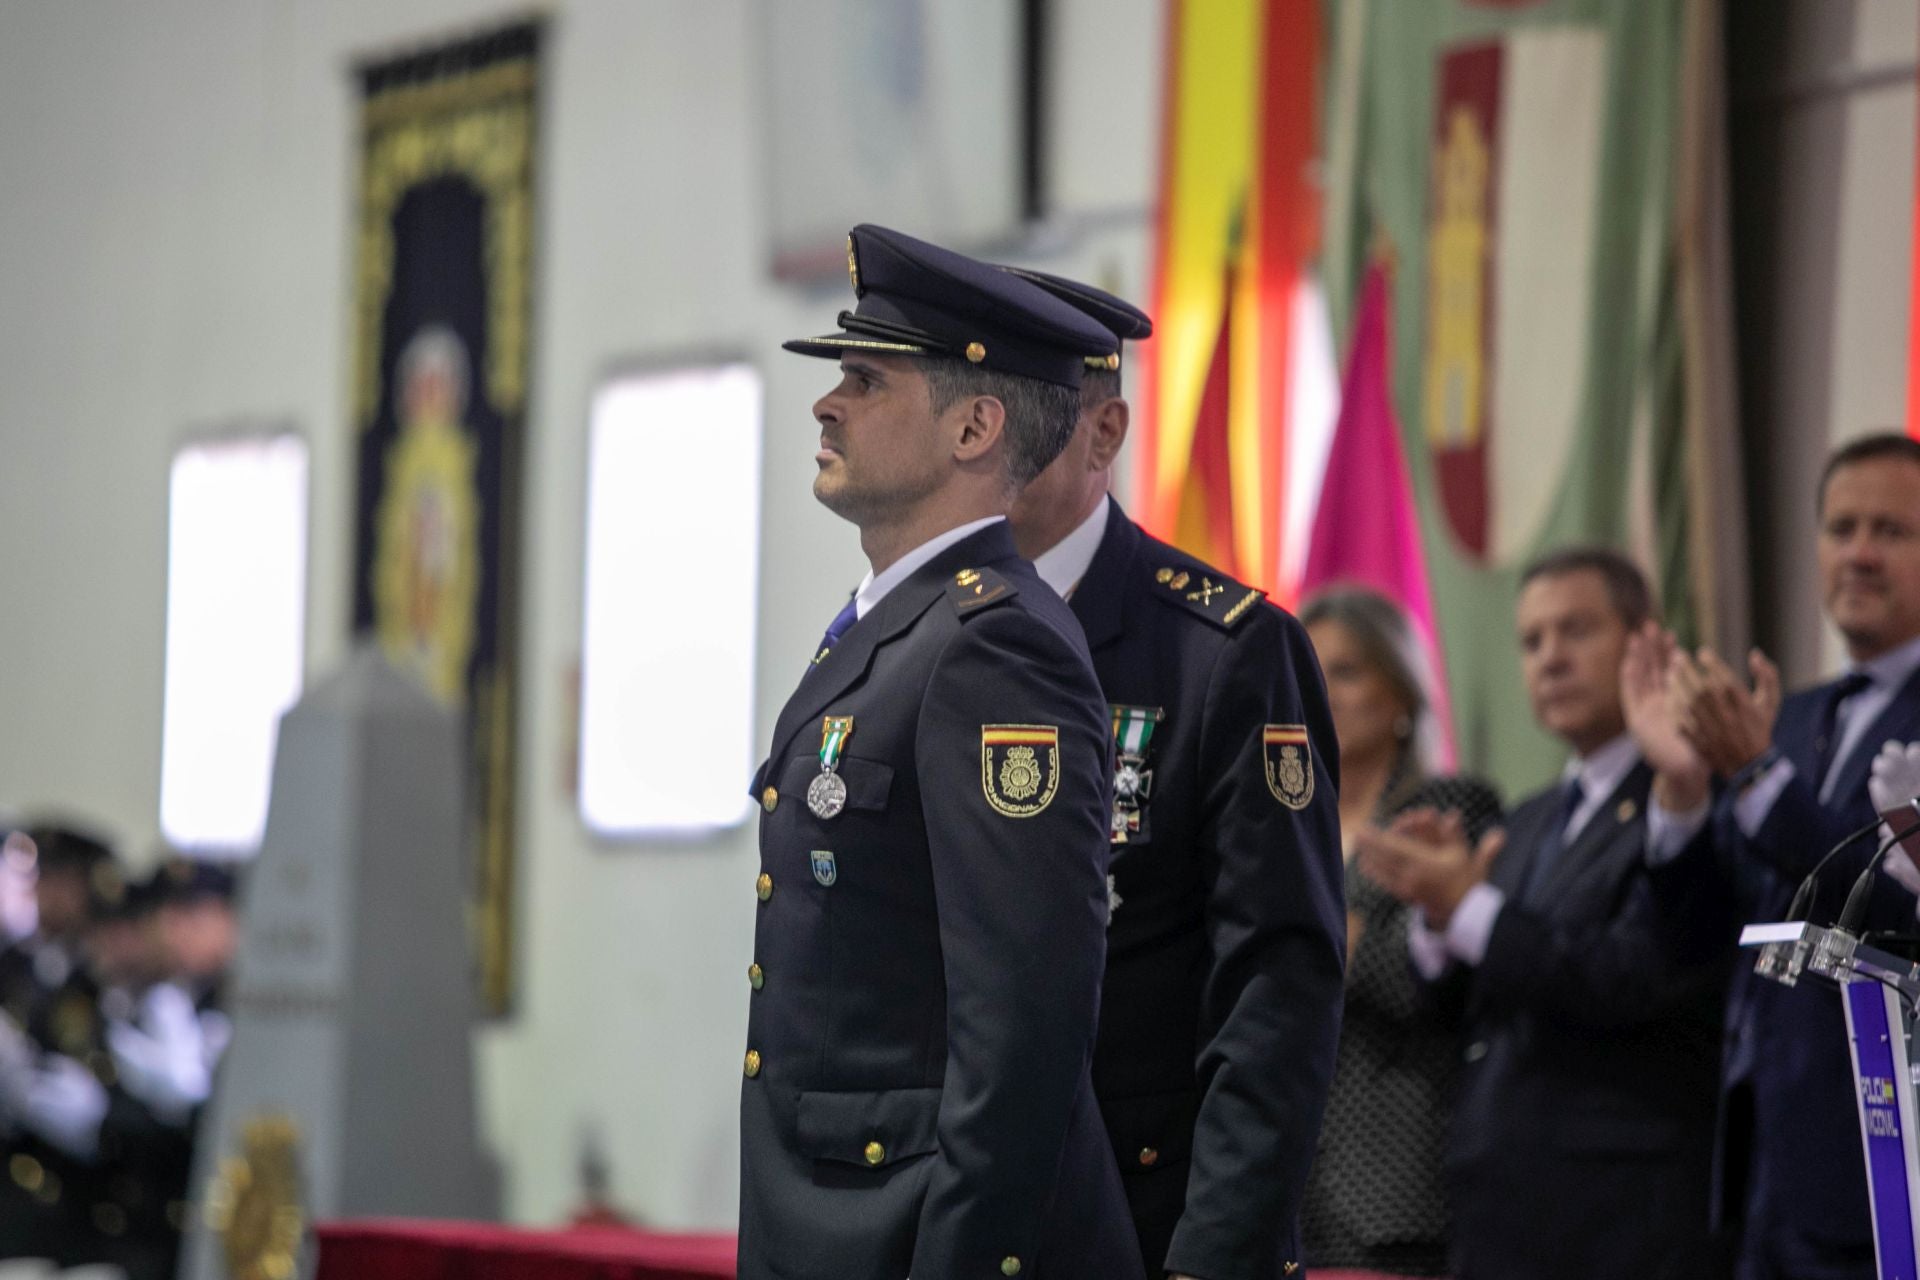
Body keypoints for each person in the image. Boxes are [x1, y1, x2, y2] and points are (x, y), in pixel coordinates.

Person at [738, 224, 1142, 1280]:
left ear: (974, 427)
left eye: (865, 381)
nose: (827, 403)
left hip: (915, 1229)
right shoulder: (900, 625)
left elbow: (1023, 1026)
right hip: (838, 1215)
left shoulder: (991, 645)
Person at [1000, 266, 1344, 1280]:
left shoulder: (1222, 651)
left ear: (1104, 435)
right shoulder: (930, 637)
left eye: (1010, 413)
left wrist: (1216, 1256)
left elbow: (1275, 989)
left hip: (1145, 1223)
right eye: (962, 415)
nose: (982, 444)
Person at [1356, 548, 1727, 1280]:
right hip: (1500, 1215)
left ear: (1644, 643)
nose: (1551, 658)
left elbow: (1636, 975)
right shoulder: (1528, 820)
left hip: (1621, 1221)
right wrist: (1438, 918)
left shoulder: (1687, 797)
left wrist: (1469, 906)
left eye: (1577, 631)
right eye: (1533, 641)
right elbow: (1469, 1008)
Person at [1664, 432, 1920, 1278]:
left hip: (1888, 1173)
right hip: (1765, 1158)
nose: (1861, 553)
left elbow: (1898, 925)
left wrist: (1760, 777)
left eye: (1892, 530)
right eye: (1841, 528)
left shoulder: (1765, 744)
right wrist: (1681, 795)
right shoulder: (1796, 712)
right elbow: (1727, 917)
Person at [1297, 588, 1499, 1278]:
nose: (1325, 692)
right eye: (1310, 671)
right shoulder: (1281, 827)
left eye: (1348, 671)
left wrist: (1311, 946)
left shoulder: (1443, 811)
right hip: (1282, 1189)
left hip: (1393, 1191)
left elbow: (1426, 978)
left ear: (1402, 693)